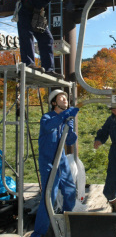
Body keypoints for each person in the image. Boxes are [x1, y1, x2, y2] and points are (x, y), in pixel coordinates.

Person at [17, 0, 105, 78]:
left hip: (37, 13)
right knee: (27, 36)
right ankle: (28, 63)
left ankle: (49, 69)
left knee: (47, 39)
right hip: (25, 10)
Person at [31, 89, 79, 237]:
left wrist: (70, 128)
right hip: (48, 162)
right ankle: (38, 233)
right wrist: (65, 115)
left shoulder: (65, 119)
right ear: (54, 103)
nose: (65, 100)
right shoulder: (47, 117)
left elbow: (70, 141)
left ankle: (66, 224)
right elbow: (48, 126)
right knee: (49, 196)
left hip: (62, 161)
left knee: (70, 192)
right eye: (61, 98)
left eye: (66, 98)